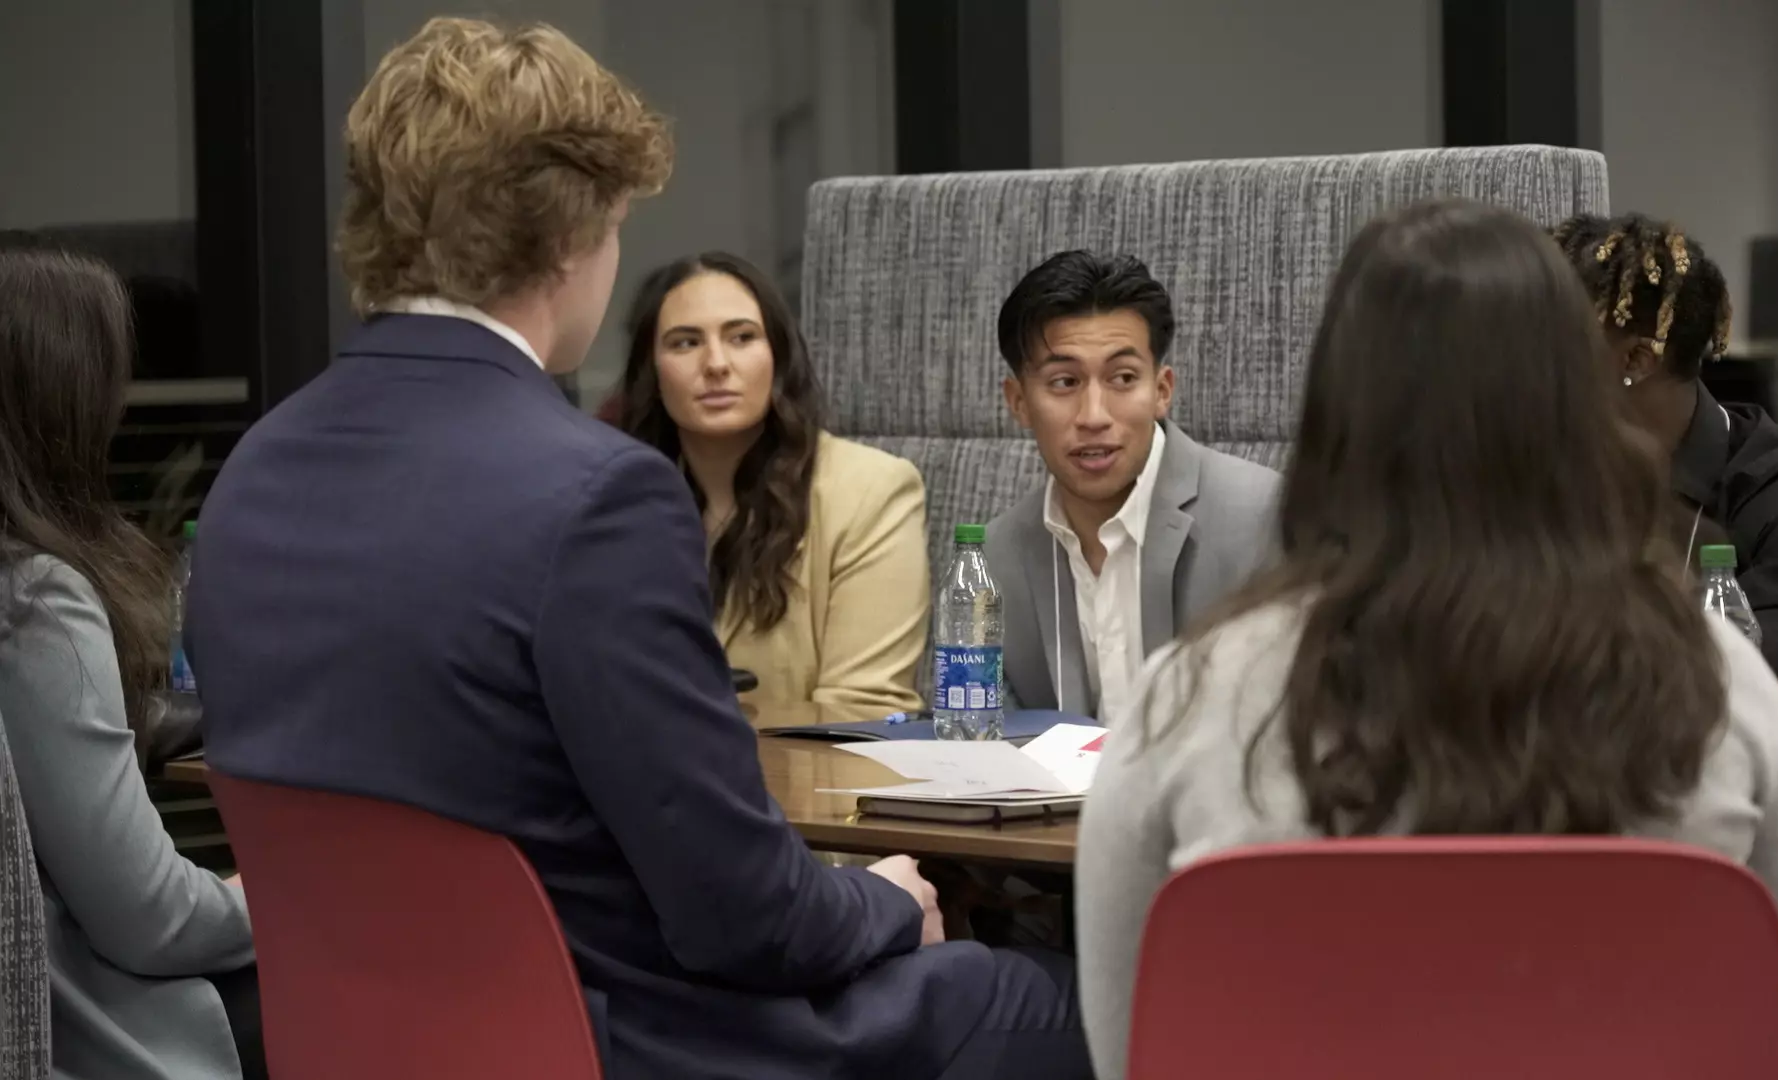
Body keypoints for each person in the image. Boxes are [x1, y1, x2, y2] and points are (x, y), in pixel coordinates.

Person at [183, 18, 1088, 1080]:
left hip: (352, 1037)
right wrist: (884, 898)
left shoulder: (253, 472)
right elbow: (740, 915)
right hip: (629, 1040)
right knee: (1053, 997)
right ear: (571, 243)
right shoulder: (596, 495)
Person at [1076, 201, 1778, 1080]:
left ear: (1339, 411)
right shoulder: (1712, 681)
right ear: (1576, 406)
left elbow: (1129, 1052)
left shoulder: (1187, 697)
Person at [0, 248, 260, 1080]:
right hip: (99, 1037)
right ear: (70, 392)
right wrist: (273, 896)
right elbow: (145, 915)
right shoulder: (35, 598)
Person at [604, 252, 928, 714]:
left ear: (778, 356)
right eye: (684, 343)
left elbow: (866, 711)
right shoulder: (619, 501)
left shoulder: (872, 491)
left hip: (804, 783)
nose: (715, 363)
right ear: (652, 372)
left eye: (741, 337)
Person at [1552, 213, 1778, 675]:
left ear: (1636, 359)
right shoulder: (1524, 469)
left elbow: (1756, 680)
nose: (1524, 362)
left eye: (1550, 340)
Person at [986, 250, 1280, 722]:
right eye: (1064, 382)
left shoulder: (1265, 520)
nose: (1094, 416)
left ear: (1162, 390)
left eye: (1123, 378)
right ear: (1018, 401)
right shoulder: (994, 560)